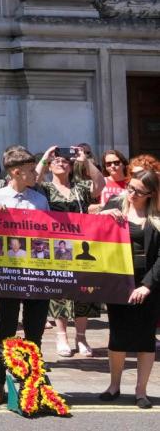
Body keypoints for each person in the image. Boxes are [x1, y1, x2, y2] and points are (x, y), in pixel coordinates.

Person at [98, 170, 160, 409]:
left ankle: (141, 391)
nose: (131, 194)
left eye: (138, 191)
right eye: (130, 188)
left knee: (145, 339)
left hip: (149, 282)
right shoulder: (116, 203)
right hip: (119, 280)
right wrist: (104, 215)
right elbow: (91, 231)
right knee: (118, 335)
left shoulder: (156, 214)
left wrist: (147, 285)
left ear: (151, 194)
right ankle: (114, 385)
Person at [36, 144, 104, 358]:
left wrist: (86, 160)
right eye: (56, 161)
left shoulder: (80, 187)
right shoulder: (45, 188)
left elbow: (100, 185)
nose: (60, 163)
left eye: (65, 161)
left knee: (83, 290)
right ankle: (61, 335)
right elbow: (33, 181)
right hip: (58, 246)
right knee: (60, 291)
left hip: (82, 245)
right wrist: (45, 157)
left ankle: (81, 336)